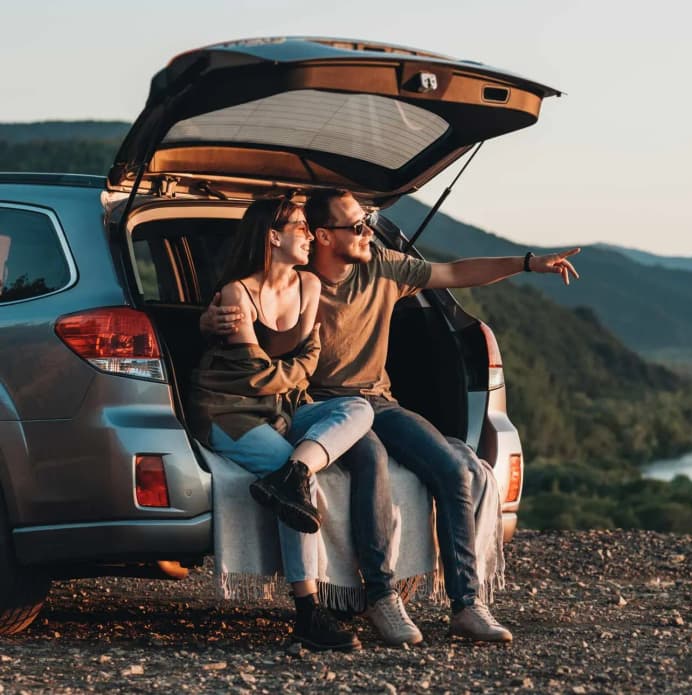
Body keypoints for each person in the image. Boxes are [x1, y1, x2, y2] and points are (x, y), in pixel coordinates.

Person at [203, 189, 580, 645]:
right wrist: (209, 320)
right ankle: (382, 598)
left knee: (453, 467)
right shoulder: (295, 276)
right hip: (318, 405)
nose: (368, 231)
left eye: (367, 223)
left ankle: (467, 604)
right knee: (371, 461)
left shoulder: (381, 266)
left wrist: (527, 263)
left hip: (377, 400)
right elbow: (251, 311)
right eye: (356, 225)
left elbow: (455, 272)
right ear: (321, 235)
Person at [189, 198, 376, 651]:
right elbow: (254, 373)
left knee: (359, 410)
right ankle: (309, 613)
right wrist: (292, 374)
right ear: (273, 235)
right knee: (303, 493)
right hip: (227, 410)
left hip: (281, 409)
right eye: (301, 227)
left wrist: (292, 378)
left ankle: (294, 471)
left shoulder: (309, 285)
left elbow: (307, 363)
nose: (311, 235)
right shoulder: (237, 293)